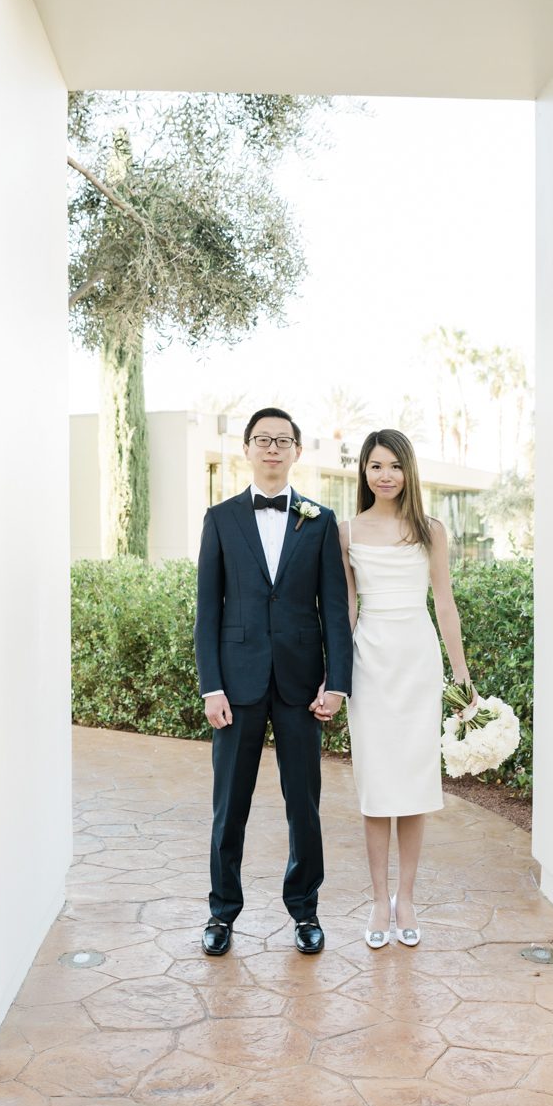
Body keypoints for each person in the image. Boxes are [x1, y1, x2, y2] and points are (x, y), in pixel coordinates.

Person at [195, 408, 353, 957]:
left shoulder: (320, 520)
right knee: (229, 806)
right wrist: (211, 686)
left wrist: (337, 682)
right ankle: (221, 913)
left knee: (303, 804)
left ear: (296, 452)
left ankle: (305, 910)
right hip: (235, 686)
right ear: (247, 449)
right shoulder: (220, 518)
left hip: (301, 685)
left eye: (282, 440)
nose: (272, 448)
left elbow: (335, 609)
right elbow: (207, 611)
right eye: (262, 439)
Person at [340, 428, 476, 948]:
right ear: (364, 472)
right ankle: (379, 900)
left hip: (418, 663)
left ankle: (407, 897)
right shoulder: (346, 531)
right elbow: (347, 606)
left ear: (408, 470)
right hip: (370, 665)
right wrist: (336, 674)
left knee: (415, 784)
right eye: (376, 466)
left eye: (395, 466)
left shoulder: (431, 530)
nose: (386, 475)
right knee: (377, 787)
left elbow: (444, 603)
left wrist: (461, 676)